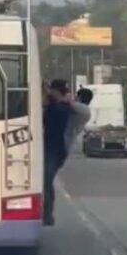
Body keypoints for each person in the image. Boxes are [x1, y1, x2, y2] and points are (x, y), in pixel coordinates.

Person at [42, 79, 73, 226]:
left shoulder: (60, 108)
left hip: (53, 151)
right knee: (46, 181)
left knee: (46, 180)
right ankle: (47, 214)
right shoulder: (61, 106)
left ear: (55, 91)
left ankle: (47, 215)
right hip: (53, 150)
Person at [64, 88, 93, 153]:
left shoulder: (83, 107)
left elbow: (69, 102)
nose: (75, 97)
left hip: (68, 137)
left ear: (80, 97)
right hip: (70, 138)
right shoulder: (85, 109)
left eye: (76, 96)